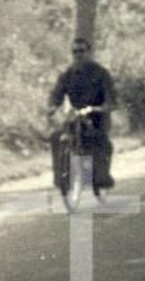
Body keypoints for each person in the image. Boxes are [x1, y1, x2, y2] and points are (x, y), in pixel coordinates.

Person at [46, 37, 117, 193]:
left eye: (81, 51)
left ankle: (101, 177)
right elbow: (57, 94)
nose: (78, 55)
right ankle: (62, 179)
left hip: (97, 115)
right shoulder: (68, 74)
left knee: (99, 140)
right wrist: (52, 107)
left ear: (89, 52)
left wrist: (99, 108)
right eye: (75, 51)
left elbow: (111, 98)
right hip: (76, 115)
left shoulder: (101, 73)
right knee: (57, 136)